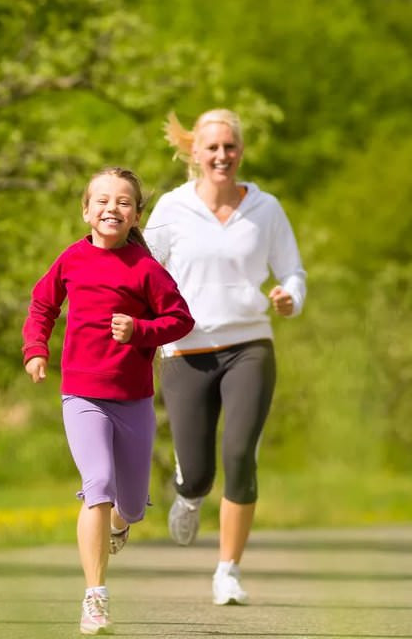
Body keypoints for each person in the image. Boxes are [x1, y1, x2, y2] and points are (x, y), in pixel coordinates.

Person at [143, 108, 307, 607]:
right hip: (185, 350)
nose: (221, 156)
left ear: (241, 152)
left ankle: (228, 570)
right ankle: (189, 495)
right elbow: (142, 273)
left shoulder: (266, 208)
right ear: (194, 152)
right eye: (212, 148)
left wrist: (288, 298)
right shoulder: (171, 209)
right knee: (197, 471)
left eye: (230, 147)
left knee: (240, 455)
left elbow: (294, 274)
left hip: (249, 345)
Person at [22, 166, 194, 636]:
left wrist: (140, 331)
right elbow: (42, 306)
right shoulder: (72, 260)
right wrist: (36, 350)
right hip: (81, 394)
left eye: (122, 202)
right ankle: (95, 597)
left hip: (133, 398)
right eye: (101, 200)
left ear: (136, 214)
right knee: (97, 483)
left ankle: (122, 522)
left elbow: (181, 320)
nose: (111, 208)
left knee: (132, 504)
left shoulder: (146, 269)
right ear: (86, 210)